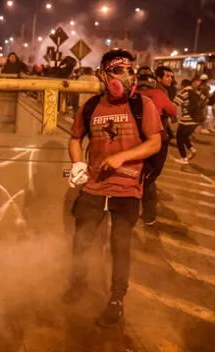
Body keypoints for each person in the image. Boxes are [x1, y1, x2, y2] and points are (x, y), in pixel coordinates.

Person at [63, 49, 162, 327]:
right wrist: (78, 164)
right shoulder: (92, 106)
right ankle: (78, 284)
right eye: (118, 71)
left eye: (129, 71)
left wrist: (122, 157)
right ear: (103, 75)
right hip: (93, 187)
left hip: (128, 188)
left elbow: (155, 142)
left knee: (120, 245)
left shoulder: (143, 105)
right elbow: (74, 138)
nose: (126, 77)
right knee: (81, 239)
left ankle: (116, 299)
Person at [136, 66, 177, 225]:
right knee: (149, 178)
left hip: (135, 142)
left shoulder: (130, 94)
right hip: (156, 142)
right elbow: (174, 112)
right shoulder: (159, 94)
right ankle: (149, 215)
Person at [174, 77, 206, 164]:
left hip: (186, 120)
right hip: (196, 120)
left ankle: (183, 158)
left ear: (183, 85)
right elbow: (204, 100)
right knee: (185, 136)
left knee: (179, 138)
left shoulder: (184, 92)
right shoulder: (196, 92)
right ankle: (192, 149)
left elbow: (175, 103)